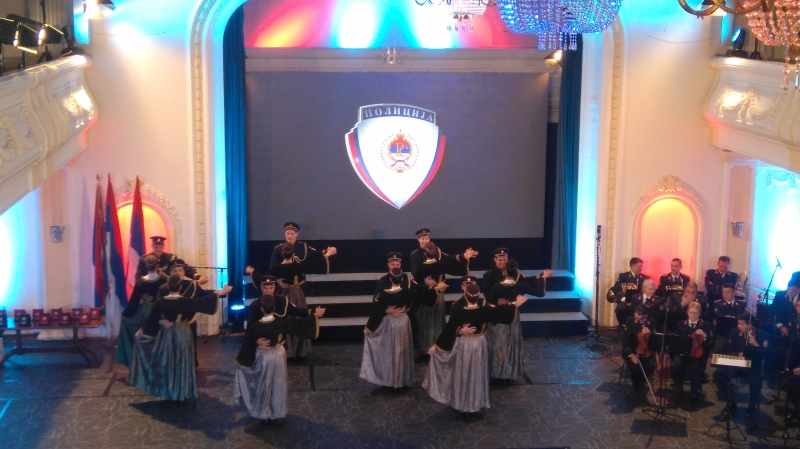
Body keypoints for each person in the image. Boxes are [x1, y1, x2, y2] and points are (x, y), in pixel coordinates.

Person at [423, 276, 528, 417]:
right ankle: (474, 403)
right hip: (479, 344)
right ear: (478, 295)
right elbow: (500, 312)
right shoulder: (483, 308)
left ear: (466, 294)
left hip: (464, 345)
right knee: (477, 374)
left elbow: (450, 328)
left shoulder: (459, 308)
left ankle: (462, 403)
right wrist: (516, 304)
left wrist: (439, 344)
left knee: (463, 374)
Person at [130, 275, 231, 401]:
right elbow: (204, 301)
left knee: (169, 360)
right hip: (183, 333)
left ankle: (169, 390)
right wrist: (221, 292)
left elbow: (153, 317)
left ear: (168, 286)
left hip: (167, 334)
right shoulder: (186, 302)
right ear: (181, 287)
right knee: (182, 360)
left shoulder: (161, 302)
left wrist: (148, 329)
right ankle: (182, 390)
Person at [234, 294, 323, 424]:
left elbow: (249, 340)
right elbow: (299, 324)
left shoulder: (256, 326)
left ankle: (263, 412)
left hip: (263, 356)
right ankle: (275, 413)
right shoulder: (280, 322)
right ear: (274, 308)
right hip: (278, 356)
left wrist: (256, 341)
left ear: (262, 308)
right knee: (277, 384)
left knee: (263, 384)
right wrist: (314, 314)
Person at [360, 267, 440, 388]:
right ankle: (402, 378)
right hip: (404, 321)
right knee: (402, 350)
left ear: (390, 279)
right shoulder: (408, 292)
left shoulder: (385, 294)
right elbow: (425, 298)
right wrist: (434, 289)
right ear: (402, 279)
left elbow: (377, 312)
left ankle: (391, 378)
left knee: (390, 350)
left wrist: (369, 328)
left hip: (390, 322)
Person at [485, 260, 552, 381]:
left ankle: (497, 372)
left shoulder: (496, 287)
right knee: (512, 343)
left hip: (498, 319)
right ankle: (510, 372)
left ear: (504, 272)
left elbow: (489, 300)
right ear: (516, 272)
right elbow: (537, 289)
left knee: (498, 344)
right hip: (513, 317)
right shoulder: (520, 286)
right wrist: (543, 277)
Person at [410, 238, 476, 357]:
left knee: (426, 323)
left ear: (425, 254)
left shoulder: (421, 268)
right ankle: (438, 347)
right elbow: (458, 269)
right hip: (438, 297)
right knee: (438, 322)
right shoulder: (441, 264)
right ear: (435, 252)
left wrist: (427, 285)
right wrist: (466, 257)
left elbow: (416, 284)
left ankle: (426, 348)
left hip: (426, 299)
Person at [269, 242, 336, 358]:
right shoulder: (297, 266)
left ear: (282, 252)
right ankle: (297, 350)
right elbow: (315, 264)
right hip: (296, 294)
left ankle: (284, 348)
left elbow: (267, 274)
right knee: (298, 318)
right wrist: (328, 254)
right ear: (293, 254)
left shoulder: (276, 267)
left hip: (281, 295)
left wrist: (276, 280)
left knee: (282, 320)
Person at [713, 311, 768, 424]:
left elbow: (765, 356)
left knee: (756, 381)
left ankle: (751, 407)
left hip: (752, 368)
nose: (738, 326)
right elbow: (729, 350)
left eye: (741, 324)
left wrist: (756, 345)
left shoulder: (761, 335)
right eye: (738, 323)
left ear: (750, 325)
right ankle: (730, 402)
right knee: (718, 374)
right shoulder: (734, 333)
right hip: (737, 365)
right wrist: (738, 354)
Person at [115, 255, 167, 368]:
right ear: (157, 266)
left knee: (143, 337)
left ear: (146, 267)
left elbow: (134, 301)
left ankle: (142, 363)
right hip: (160, 313)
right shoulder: (164, 280)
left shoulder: (141, 282)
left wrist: (125, 315)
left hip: (145, 312)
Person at [268, 222, 335, 290]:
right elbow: (272, 267)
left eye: (292, 234)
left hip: (300, 286)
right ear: (285, 234)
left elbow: (316, 253)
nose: (290, 236)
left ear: (296, 234)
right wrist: (277, 280)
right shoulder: (278, 248)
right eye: (288, 233)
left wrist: (329, 251)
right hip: (283, 287)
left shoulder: (303, 246)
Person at [244, 274, 324, 328]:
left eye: (271, 288)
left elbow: (297, 311)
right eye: (265, 288)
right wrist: (257, 340)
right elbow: (250, 328)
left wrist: (314, 311)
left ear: (274, 288)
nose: (268, 291)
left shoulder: (282, 301)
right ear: (261, 288)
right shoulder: (254, 305)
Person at [671, 302, 713, 402]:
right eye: (691, 312)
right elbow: (677, 340)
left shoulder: (705, 325)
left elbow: (710, 343)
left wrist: (704, 335)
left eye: (695, 313)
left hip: (698, 355)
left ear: (699, 314)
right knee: (675, 366)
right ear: (687, 312)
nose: (693, 315)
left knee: (694, 369)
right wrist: (679, 351)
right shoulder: (681, 324)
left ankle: (694, 391)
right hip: (683, 353)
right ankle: (678, 386)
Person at [135, 236, 208, 285]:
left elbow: (184, 268)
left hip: (167, 289)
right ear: (152, 246)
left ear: (163, 247)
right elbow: (138, 276)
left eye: (160, 247)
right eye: (155, 247)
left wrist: (198, 277)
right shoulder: (144, 259)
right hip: (151, 289)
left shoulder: (171, 258)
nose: (158, 249)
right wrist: (142, 293)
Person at [621, 305, 656, 393]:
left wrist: (650, 333)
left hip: (647, 351)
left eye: (640, 315)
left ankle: (642, 381)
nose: (636, 315)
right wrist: (631, 355)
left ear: (646, 315)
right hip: (632, 350)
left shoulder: (652, 322)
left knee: (650, 366)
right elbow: (625, 341)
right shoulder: (630, 321)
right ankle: (636, 384)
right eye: (636, 313)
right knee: (635, 367)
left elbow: (656, 340)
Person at [609, 257, 650, 326]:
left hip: (639, 302)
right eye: (639, 267)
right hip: (625, 300)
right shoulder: (623, 276)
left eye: (642, 266)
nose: (641, 268)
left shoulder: (645, 278)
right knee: (619, 309)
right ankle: (623, 325)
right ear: (633, 266)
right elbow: (617, 289)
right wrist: (624, 299)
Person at [713, 283, 746, 353]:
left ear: (734, 293)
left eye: (728, 292)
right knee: (718, 349)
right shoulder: (718, 304)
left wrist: (732, 318)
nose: (725, 295)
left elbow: (743, 318)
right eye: (723, 292)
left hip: (737, 331)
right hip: (723, 332)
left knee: (739, 350)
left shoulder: (741, 304)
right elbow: (719, 318)